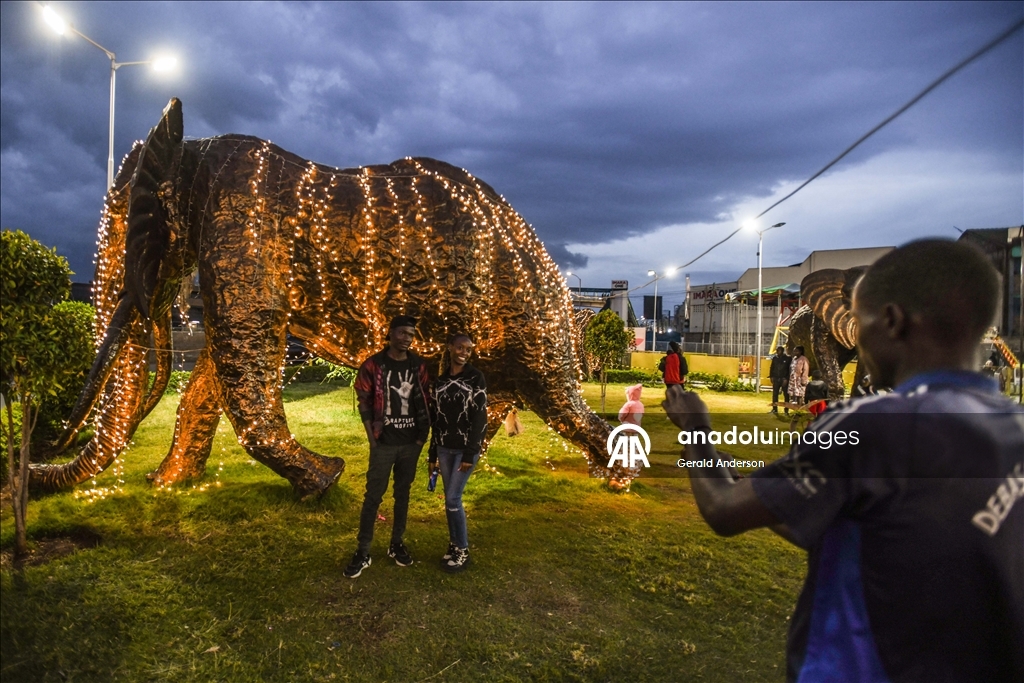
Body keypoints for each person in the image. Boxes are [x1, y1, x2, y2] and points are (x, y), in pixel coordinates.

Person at [664, 239, 1023, 682]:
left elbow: (722, 508)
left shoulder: (868, 428)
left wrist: (695, 429)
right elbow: (873, 519)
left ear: (890, 321)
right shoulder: (1013, 427)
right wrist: (750, 476)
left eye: (861, 320)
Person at [344, 315, 432, 579]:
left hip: (410, 443)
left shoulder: (418, 366)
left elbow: (426, 400)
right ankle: (363, 551)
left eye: (411, 334)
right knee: (373, 496)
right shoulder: (374, 365)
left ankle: (397, 544)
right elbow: (364, 401)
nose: (407, 338)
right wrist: (373, 439)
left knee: (402, 494)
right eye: (403, 333)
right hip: (383, 443)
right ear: (391, 333)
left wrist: (420, 439)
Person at [428, 333, 487, 572]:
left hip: (464, 449)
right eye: (460, 347)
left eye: (469, 349)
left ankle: (462, 549)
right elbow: (436, 421)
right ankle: (453, 545)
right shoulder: (440, 382)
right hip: (444, 447)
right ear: (450, 348)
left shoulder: (476, 378)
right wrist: (432, 456)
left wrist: (470, 452)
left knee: (453, 498)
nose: (464, 352)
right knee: (450, 502)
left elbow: (480, 417)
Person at [769, 345, 792, 414]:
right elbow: (772, 367)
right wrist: (771, 376)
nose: (777, 352)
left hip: (784, 378)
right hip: (776, 378)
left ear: (782, 351)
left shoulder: (788, 358)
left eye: (778, 350)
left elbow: (789, 370)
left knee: (786, 395)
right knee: (775, 394)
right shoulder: (775, 358)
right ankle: (775, 409)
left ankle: (786, 410)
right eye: (777, 350)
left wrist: (786, 378)